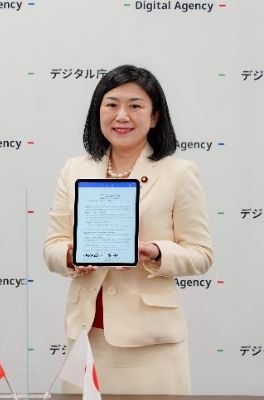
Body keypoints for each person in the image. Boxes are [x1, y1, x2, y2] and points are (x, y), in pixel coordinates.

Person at [43, 65, 213, 395]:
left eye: (135, 106)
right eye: (112, 104)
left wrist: (153, 251)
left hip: (151, 341)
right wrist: (70, 254)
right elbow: (52, 245)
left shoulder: (179, 173)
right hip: (86, 334)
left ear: (154, 117)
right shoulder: (74, 169)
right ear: (98, 111)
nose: (122, 115)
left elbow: (201, 254)